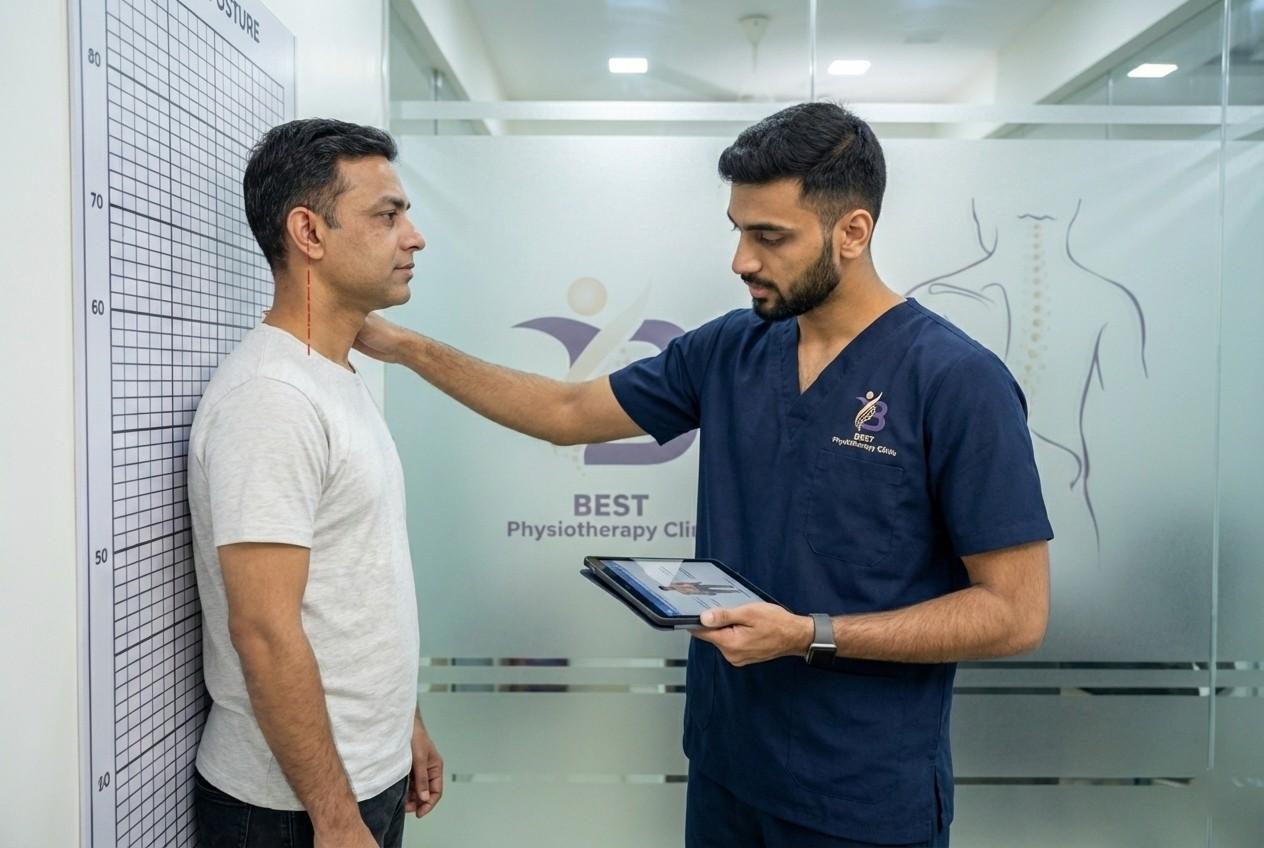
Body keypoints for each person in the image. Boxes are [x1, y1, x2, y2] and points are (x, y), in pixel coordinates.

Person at [354, 102, 1051, 847]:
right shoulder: (731, 350)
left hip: (862, 795)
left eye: (770, 236)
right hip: (727, 773)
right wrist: (402, 347)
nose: (742, 260)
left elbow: (1015, 612)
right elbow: (564, 410)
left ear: (853, 232)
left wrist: (808, 634)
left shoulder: (955, 380)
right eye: (739, 230)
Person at [188, 119, 441, 848]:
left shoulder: (331, 376)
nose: (413, 237)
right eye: (388, 215)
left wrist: (404, 726)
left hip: (364, 775)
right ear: (309, 231)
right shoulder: (270, 397)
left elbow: (358, 584)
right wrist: (334, 816)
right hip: (290, 807)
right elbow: (264, 630)